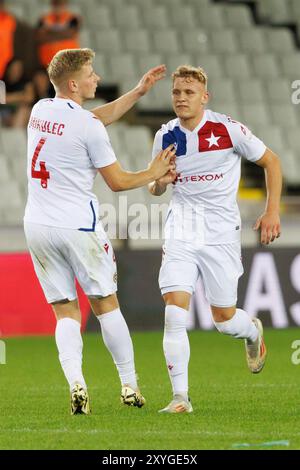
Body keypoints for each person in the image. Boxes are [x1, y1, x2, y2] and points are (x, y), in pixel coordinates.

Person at [24, 48, 175, 415]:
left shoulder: (41, 110)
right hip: (79, 227)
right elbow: (118, 182)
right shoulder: (87, 126)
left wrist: (137, 93)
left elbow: (90, 120)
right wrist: (153, 173)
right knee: (107, 306)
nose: (96, 78)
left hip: (39, 226)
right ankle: (129, 385)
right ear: (74, 84)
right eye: (91, 73)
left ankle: (77, 383)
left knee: (65, 312)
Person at [149, 65, 282, 413]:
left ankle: (252, 331)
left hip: (221, 231)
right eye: (176, 92)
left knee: (224, 320)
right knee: (175, 310)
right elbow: (154, 185)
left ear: (204, 97)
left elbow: (272, 162)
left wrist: (271, 212)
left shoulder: (228, 129)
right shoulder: (165, 136)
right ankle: (181, 397)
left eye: (188, 92)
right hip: (182, 226)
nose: (181, 98)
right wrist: (161, 181)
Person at [36, 0, 81, 70]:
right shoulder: (44, 19)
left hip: (68, 63)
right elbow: (40, 37)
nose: (59, 4)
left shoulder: (72, 18)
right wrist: (63, 33)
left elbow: (71, 34)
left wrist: (49, 32)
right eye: (56, 2)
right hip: (47, 62)